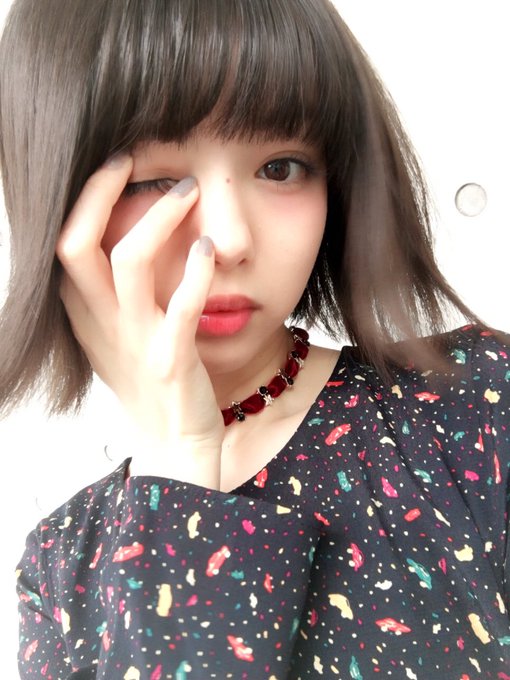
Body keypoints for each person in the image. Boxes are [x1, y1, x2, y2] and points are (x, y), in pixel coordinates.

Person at [0, 0, 508, 677]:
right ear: (59, 207)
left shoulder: (478, 406)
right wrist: (178, 460)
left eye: (281, 168)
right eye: (154, 180)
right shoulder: (62, 571)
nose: (230, 238)